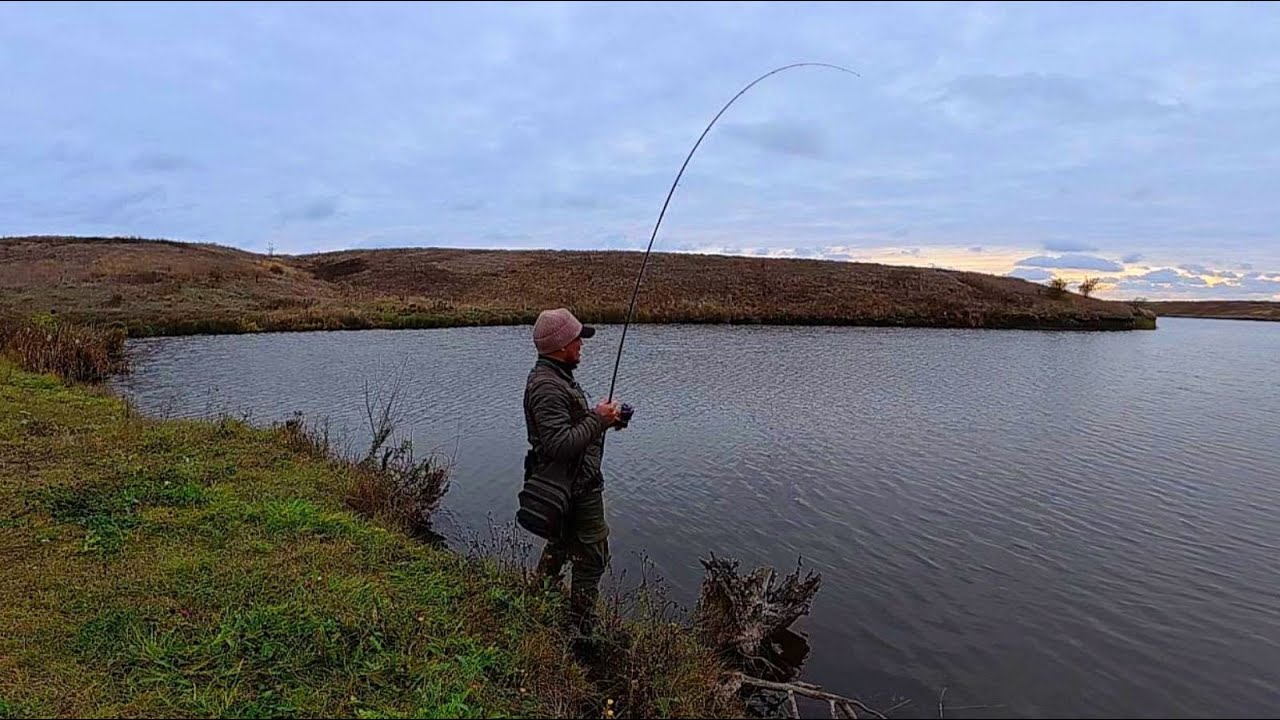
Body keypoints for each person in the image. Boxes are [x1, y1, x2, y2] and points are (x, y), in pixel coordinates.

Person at [519, 307, 623, 635]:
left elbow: (570, 430)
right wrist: (597, 420)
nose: (582, 345)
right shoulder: (548, 386)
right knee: (593, 555)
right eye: (578, 339)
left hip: (570, 485)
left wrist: (606, 420)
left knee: (561, 544)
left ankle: (537, 606)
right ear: (562, 345)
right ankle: (581, 628)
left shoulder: (557, 378)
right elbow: (559, 445)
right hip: (576, 488)